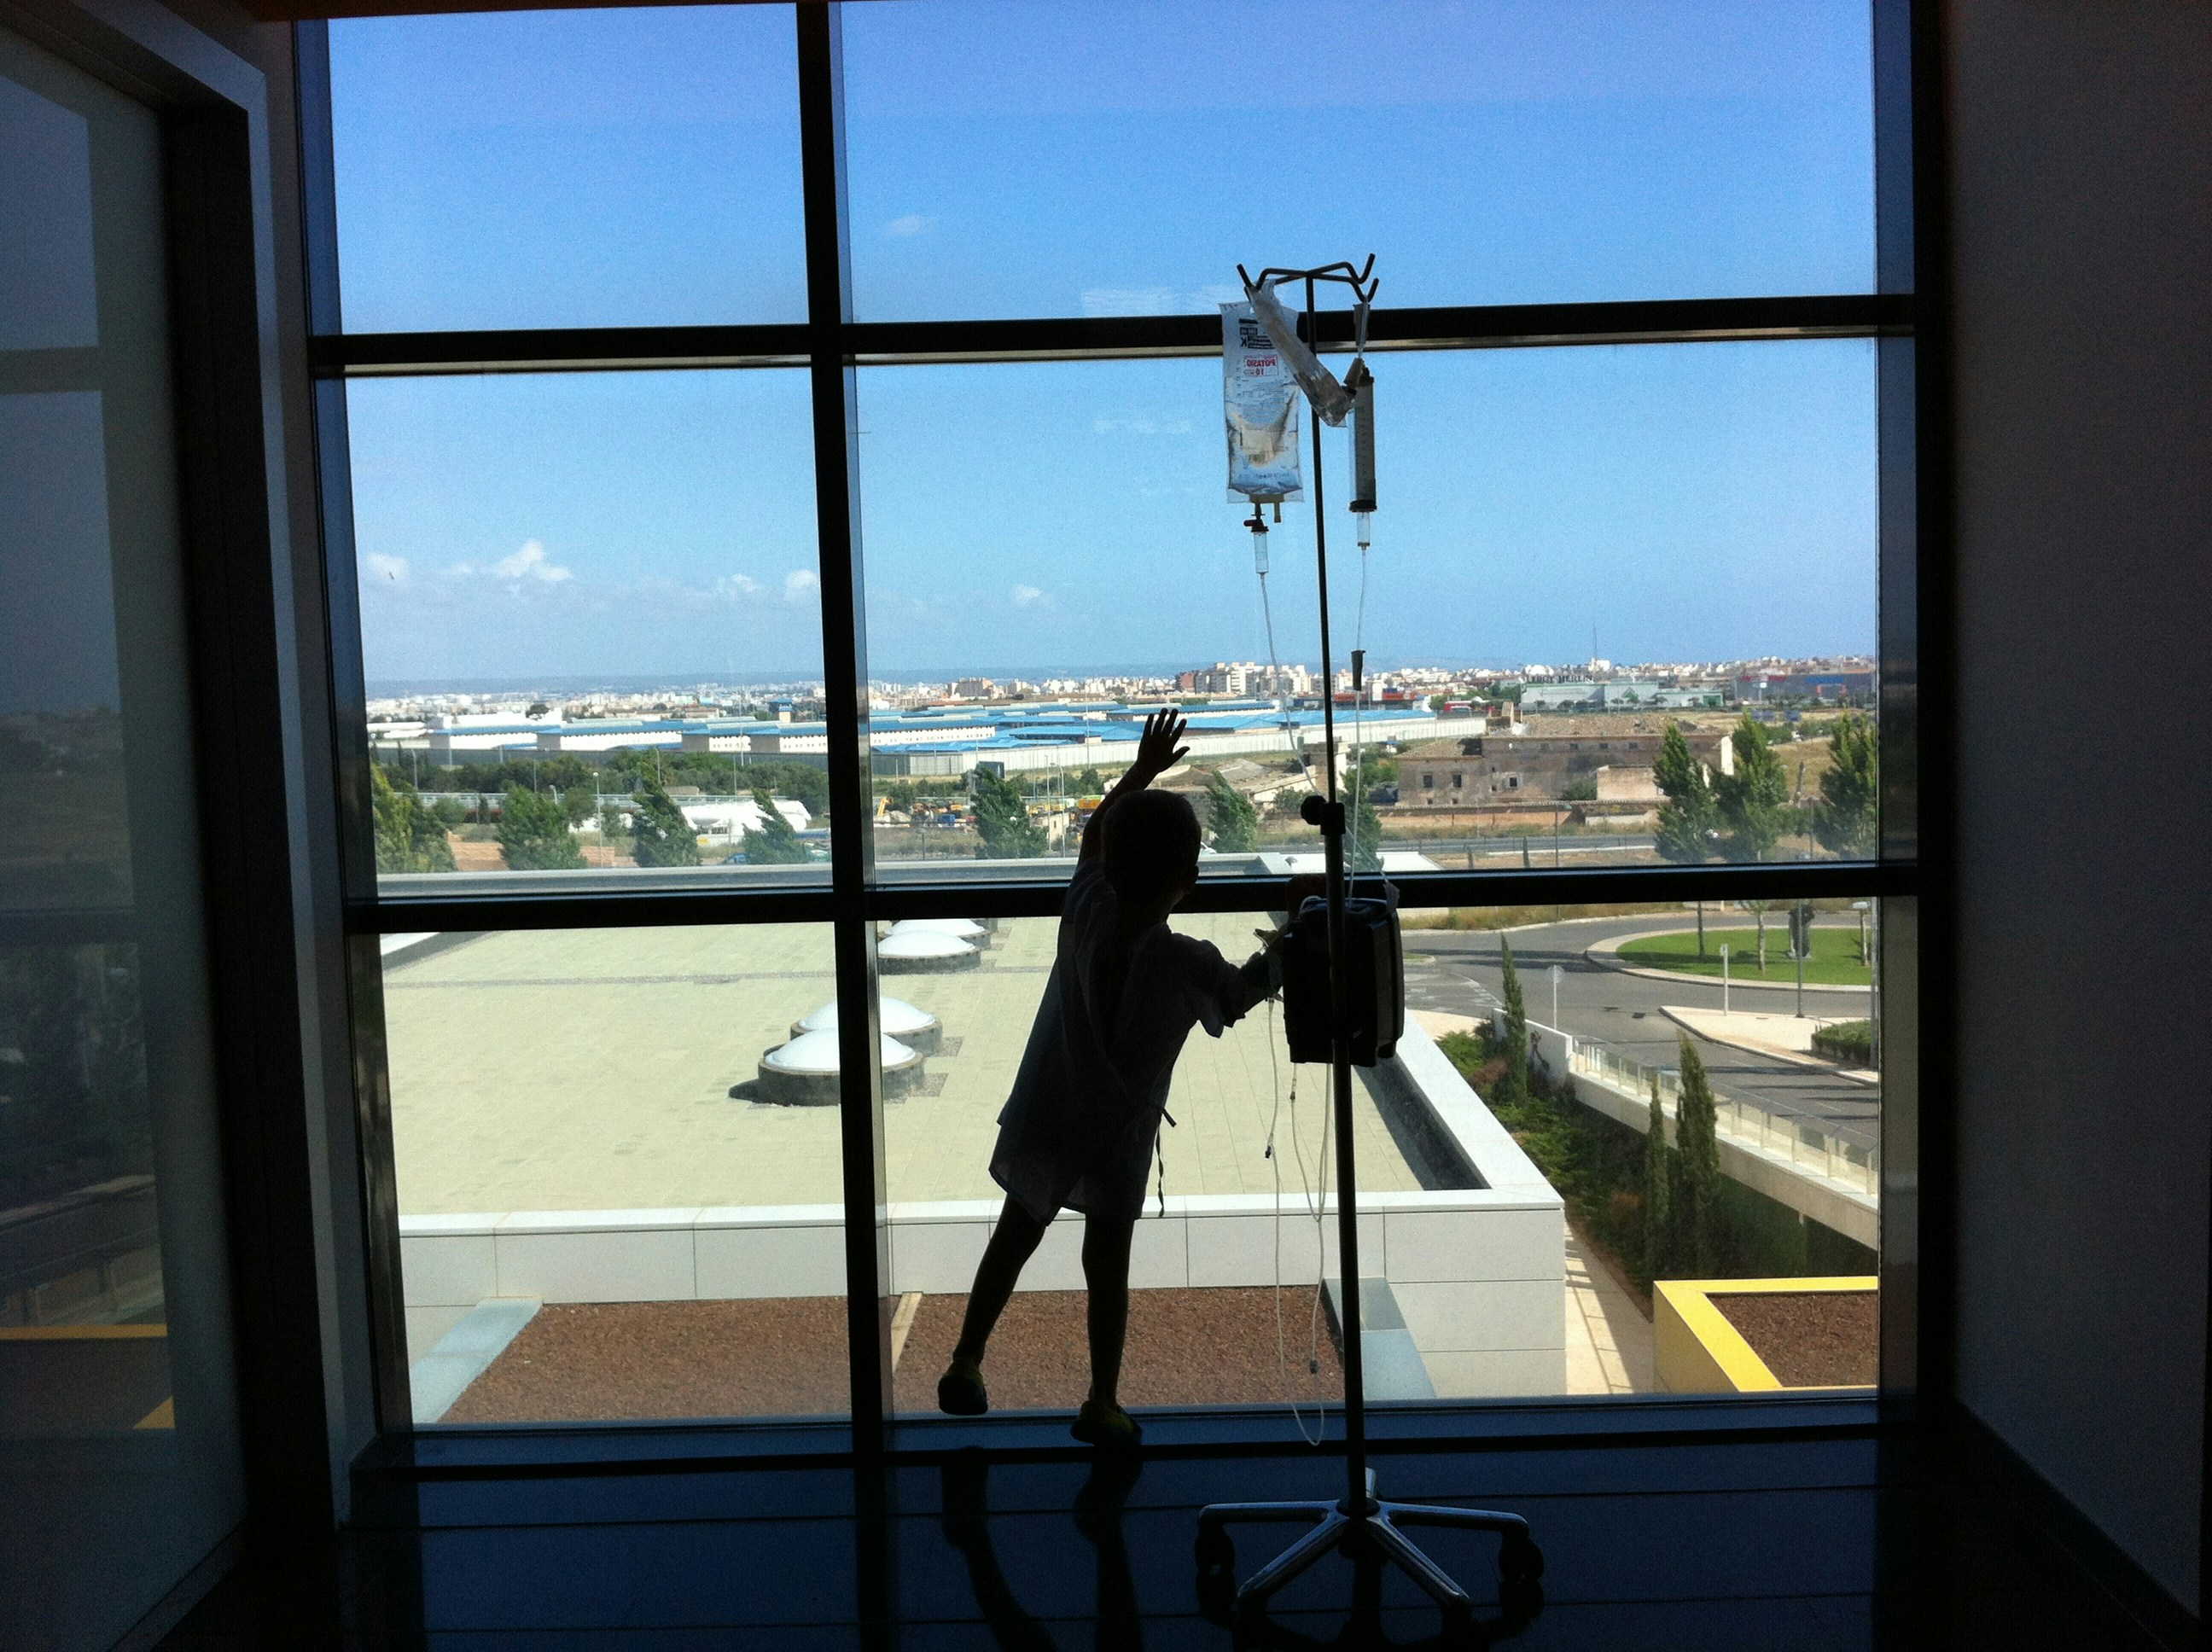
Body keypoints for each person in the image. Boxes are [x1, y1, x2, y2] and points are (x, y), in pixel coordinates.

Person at [937, 709, 1284, 1447]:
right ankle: (1100, 1399)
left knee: (1014, 1234)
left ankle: (967, 1361)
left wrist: (1140, 772)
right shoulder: (1186, 962)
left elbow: (1095, 839)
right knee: (1108, 1265)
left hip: (1048, 1110)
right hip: (1117, 1136)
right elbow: (1237, 996)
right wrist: (1286, 948)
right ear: (1189, 880)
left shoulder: (1087, 912)